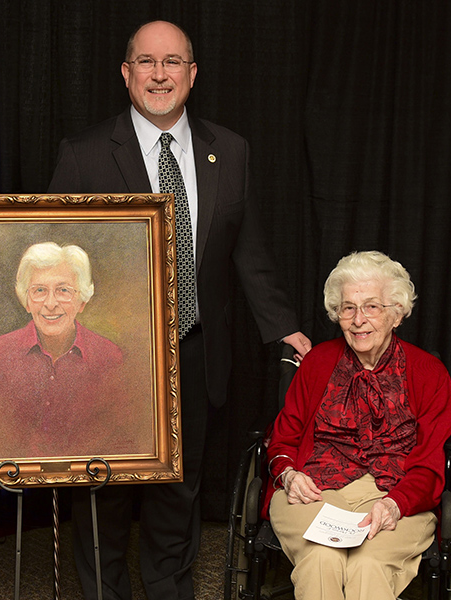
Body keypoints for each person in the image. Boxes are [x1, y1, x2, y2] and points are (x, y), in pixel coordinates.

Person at [47, 20, 311, 600]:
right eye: (146, 62)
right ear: (126, 73)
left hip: (194, 349)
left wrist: (282, 326)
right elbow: (55, 258)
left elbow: (248, 249)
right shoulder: (85, 154)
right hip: (109, 358)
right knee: (105, 491)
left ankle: (171, 590)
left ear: (193, 74)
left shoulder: (229, 149)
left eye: (173, 63)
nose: (159, 75)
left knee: (179, 488)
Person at [264, 251, 451, 600]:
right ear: (338, 315)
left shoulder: (430, 374)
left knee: (368, 566)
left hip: (395, 496)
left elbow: (429, 464)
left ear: (397, 314)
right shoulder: (318, 361)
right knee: (321, 558)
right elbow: (281, 442)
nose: (358, 320)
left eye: (372, 307)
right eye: (348, 308)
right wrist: (289, 475)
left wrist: (395, 503)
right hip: (315, 493)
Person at [0, 242, 149, 459]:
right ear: (27, 300)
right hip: (15, 486)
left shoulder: (109, 357)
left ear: (82, 300)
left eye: (63, 290)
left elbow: (122, 444)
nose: (50, 303)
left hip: (86, 486)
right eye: (39, 290)